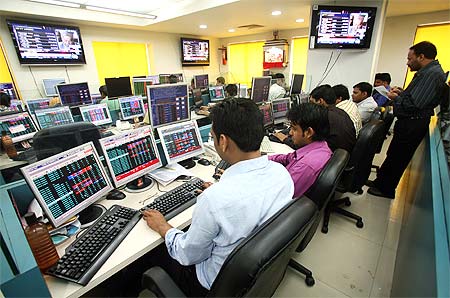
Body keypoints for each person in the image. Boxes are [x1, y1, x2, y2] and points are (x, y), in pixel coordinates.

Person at [142, 98, 294, 296]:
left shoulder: (215, 199)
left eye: (213, 136)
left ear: (222, 141)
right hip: (253, 276)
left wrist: (163, 226)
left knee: (153, 255)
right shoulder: (282, 174)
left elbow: (188, 255)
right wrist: (220, 191)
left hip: (210, 285)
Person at [367, 41, 446, 199]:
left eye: (410, 59)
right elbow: (415, 98)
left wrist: (396, 98)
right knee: (393, 153)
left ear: (421, 57)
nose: (408, 62)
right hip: (409, 121)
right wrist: (402, 93)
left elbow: (414, 105)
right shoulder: (428, 72)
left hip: (413, 123)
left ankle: (386, 189)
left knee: (399, 157)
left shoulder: (431, 74)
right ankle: (381, 182)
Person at [269, 103, 332, 198]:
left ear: (309, 132)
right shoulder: (321, 146)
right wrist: (262, 159)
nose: (290, 133)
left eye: (294, 129)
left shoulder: (306, 165)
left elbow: (278, 196)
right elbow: (287, 158)